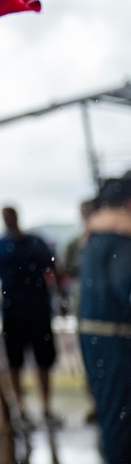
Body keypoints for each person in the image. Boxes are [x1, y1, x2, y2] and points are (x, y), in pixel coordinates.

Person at [0, 205, 61, 427]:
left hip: (39, 309)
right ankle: (21, 411)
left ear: (17, 216)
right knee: (15, 362)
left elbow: (54, 270)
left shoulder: (35, 242)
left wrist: (61, 299)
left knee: (44, 360)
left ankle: (46, 408)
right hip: (13, 312)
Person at [79, 173, 131, 463]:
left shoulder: (96, 235)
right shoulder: (120, 241)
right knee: (122, 422)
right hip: (115, 345)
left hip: (100, 340)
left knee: (114, 417)